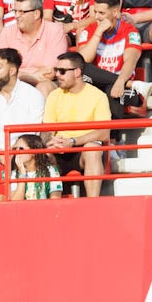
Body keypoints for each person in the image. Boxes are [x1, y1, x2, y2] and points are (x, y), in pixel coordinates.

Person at [40, 51, 108, 197]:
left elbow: (104, 132)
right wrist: (50, 141)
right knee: (41, 152)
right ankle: (50, 206)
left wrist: (73, 141)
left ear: (77, 72)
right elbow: (46, 129)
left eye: (62, 71)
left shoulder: (98, 96)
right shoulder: (54, 95)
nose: (57, 75)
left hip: (83, 148)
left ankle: (93, 203)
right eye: (56, 70)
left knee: (92, 150)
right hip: (59, 149)